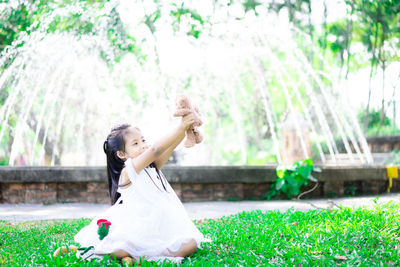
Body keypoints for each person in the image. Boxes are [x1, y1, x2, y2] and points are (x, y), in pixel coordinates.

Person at [54, 112, 211, 264]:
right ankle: (81, 251)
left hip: (154, 224)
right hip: (136, 225)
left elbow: (165, 149)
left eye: (143, 140)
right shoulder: (128, 171)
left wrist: (184, 130)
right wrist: (181, 125)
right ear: (122, 154)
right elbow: (155, 149)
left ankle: (142, 258)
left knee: (191, 243)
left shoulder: (151, 167)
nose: (143, 146)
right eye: (136, 144)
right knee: (122, 248)